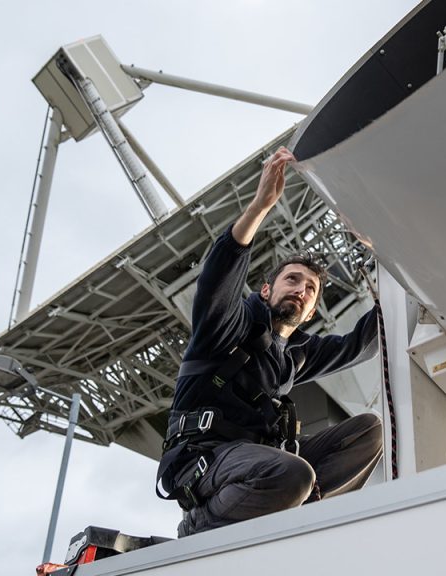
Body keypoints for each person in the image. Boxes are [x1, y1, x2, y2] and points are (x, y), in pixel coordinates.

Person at [156, 146, 383, 537]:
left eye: (310, 288)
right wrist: (260, 206)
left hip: (268, 465)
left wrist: (384, 251)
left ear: (312, 311)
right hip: (208, 462)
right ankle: (202, 526)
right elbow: (218, 274)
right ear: (264, 290)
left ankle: (299, 513)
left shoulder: (297, 354)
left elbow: (364, 342)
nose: (301, 289)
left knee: (368, 430)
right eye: (291, 279)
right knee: (291, 473)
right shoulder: (227, 324)